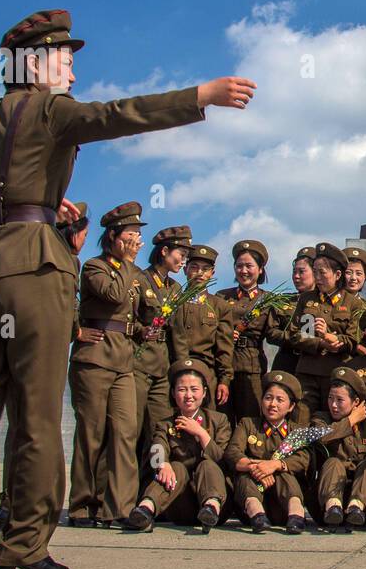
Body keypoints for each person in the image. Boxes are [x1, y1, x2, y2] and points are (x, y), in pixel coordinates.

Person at [0, 6, 256, 569]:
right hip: (34, 267)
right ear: (34, 63)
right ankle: (25, 546)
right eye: (65, 57)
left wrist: (37, 197)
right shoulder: (49, 108)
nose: (71, 68)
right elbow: (117, 116)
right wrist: (202, 96)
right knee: (36, 417)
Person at [0, 202, 92, 534]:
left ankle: (14, 505)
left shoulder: (56, 256)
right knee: (30, 429)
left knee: (22, 428)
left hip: (26, 350)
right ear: (74, 232)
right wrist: (74, 330)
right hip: (32, 353)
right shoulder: (55, 257)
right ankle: (18, 509)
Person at [66, 202, 149, 531]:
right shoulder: (95, 267)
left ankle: (119, 506)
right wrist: (128, 263)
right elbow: (114, 297)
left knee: (125, 432)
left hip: (124, 359)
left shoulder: (132, 271)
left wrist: (146, 329)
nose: (135, 242)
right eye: (130, 235)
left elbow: (135, 313)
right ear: (113, 237)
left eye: (137, 236)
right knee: (92, 434)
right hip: (95, 358)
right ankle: (82, 504)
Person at [126, 359, 231, 532]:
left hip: (216, 502)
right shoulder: (165, 424)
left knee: (208, 465)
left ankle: (210, 508)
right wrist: (162, 464)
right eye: (182, 390)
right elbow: (157, 447)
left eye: (194, 389)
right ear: (173, 394)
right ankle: (145, 509)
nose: (188, 395)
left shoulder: (218, 421)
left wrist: (201, 433)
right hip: (180, 504)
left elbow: (224, 461)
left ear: (204, 392)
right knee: (175, 467)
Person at [132, 225, 191, 470]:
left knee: (158, 431)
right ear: (165, 251)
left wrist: (183, 370)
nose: (183, 261)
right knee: (129, 431)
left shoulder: (176, 289)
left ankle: (149, 491)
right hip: (136, 365)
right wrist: (140, 330)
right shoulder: (139, 279)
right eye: (181, 255)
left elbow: (178, 336)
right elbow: (126, 317)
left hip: (162, 369)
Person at [224, 371, 312, 534]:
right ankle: (257, 515)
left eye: (280, 400)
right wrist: (257, 467)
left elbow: (303, 458)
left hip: (283, 509)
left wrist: (275, 465)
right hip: (252, 507)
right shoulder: (248, 424)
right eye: (268, 398)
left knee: (284, 474)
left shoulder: (297, 431)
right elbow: (232, 452)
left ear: (291, 406)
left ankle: (297, 516)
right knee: (244, 476)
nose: (272, 404)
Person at [282, 242, 363, 416]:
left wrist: (333, 338)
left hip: (337, 375)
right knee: (301, 421)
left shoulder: (353, 303)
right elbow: (297, 336)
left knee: (332, 423)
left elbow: (353, 339)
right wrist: (321, 343)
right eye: (315, 271)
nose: (317, 277)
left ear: (337, 274)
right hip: (307, 373)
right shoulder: (307, 299)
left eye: (322, 272)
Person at [218, 239, 286, 426]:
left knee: (250, 418)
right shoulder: (221, 297)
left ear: (261, 269)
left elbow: (273, 333)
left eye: (249, 266)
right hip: (224, 362)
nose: (244, 271)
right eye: (239, 266)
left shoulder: (268, 300)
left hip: (251, 366)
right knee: (222, 416)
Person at [307, 367, 366, 530]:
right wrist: (351, 420)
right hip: (326, 497)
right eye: (330, 398)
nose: (333, 405)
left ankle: (356, 507)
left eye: (340, 400)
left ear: (356, 402)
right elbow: (322, 437)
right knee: (333, 462)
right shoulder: (321, 419)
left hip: (361, 496)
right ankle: (333, 507)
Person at [169, 245, 233, 409]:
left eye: (205, 269)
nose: (199, 273)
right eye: (194, 267)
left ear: (212, 273)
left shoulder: (219, 305)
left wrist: (224, 380)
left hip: (206, 373)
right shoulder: (172, 300)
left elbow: (224, 348)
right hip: (173, 370)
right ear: (185, 270)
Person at [270, 246, 316, 376]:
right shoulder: (283, 301)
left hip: (313, 364)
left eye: (302, 272)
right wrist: (296, 338)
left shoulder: (324, 303)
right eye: (294, 272)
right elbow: (271, 333)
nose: (296, 276)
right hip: (286, 362)